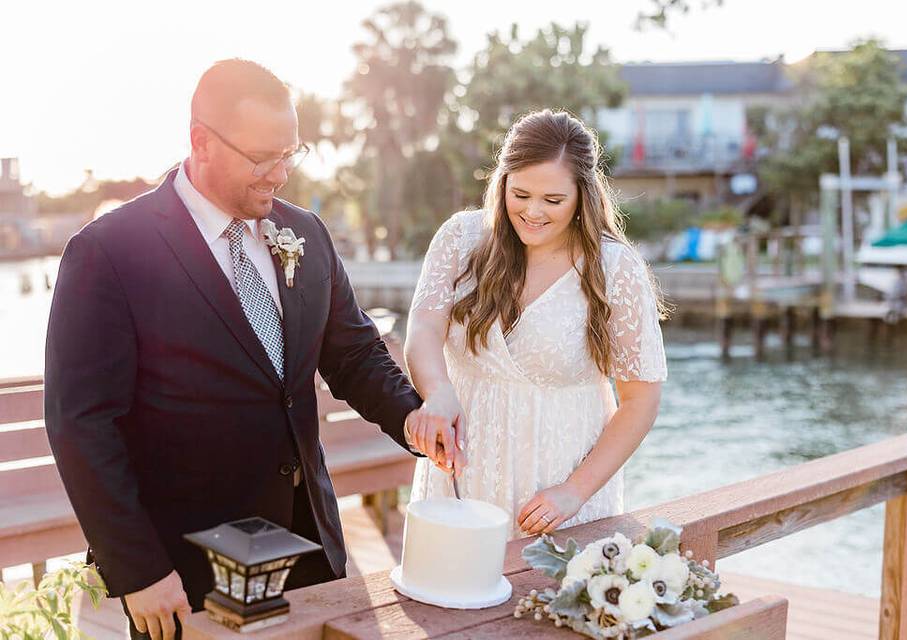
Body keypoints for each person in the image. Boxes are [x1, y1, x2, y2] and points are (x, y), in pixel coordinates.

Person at [44, 59, 439, 640]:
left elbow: (353, 353)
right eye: (262, 158)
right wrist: (140, 570)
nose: (280, 175)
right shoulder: (109, 251)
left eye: (290, 154)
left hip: (309, 546)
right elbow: (81, 424)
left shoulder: (304, 232)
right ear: (200, 141)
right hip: (189, 568)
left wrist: (414, 420)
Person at [404, 109, 667, 539]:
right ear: (502, 181)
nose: (533, 212)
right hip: (460, 479)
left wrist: (573, 492)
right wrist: (437, 392)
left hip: (556, 494)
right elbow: (424, 327)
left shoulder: (614, 268)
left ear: (584, 194)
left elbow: (640, 401)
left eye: (553, 200)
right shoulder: (461, 238)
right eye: (520, 193)